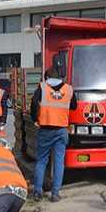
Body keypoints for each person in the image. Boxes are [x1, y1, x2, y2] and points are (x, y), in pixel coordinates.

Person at [30, 67, 77, 202]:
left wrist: (34, 119)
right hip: (61, 129)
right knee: (59, 162)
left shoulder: (43, 87)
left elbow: (34, 103)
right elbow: (74, 105)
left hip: (45, 128)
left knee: (41, 161)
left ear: (46, 77)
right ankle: (55, 193)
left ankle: (38, 192)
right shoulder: (68, 89)